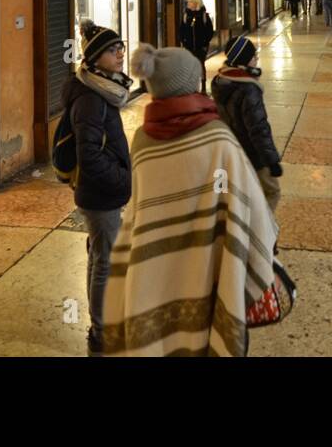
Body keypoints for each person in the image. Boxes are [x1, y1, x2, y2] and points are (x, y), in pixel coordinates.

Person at [101, 45, 279, 356]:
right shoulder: (217, 138)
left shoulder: (142, 140)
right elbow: (249, 210)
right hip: (210, 265)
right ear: (190, 84)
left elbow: (139, 209)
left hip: (155, 272)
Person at [62, 20, 133, 356]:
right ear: (94, 58)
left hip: (98, 193)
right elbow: (89, 156)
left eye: (120, 47)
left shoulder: (101, 88)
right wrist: (122, 178)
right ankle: (102, 331)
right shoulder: (91, 99)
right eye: (111, 50)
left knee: (98, 256)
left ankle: (102, 322)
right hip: (99, 194)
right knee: (105, 262)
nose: (120, 54)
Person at [211, 35, 282, 212]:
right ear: (244, 61)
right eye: (253, 56)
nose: (256, 59)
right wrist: (271, 161)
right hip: (252, 154)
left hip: (230, 150)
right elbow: (258, 128)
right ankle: (263, 231)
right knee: (272, 191)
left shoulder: (220, 81)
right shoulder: (248, 89)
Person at [179, 0, 214, 92]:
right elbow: (181, 30)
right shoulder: (186, 16)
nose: (188, 3)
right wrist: (183, 41)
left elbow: (209, 31)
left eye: (190, 2)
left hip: (201, 47)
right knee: (190, 66)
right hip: (188, 46)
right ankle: (192, 86)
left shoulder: (203, 16)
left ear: (196, 3)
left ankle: (203, 86)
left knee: (201, 64)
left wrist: (204, 42)